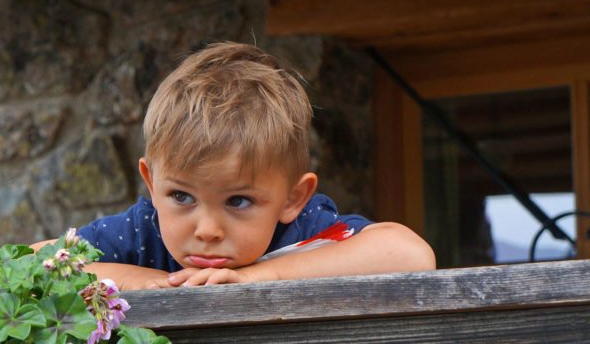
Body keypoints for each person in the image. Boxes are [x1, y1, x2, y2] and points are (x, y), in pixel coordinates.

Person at [34, 42, 435, 290]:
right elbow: (31, 261)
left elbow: (410, 254)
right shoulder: (144, 231)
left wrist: (255, 278)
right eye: (181, 196)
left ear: (292, 198)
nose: (206, 230)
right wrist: (144, 281)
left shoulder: (306, 230)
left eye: (239, 201)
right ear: (151, 184)